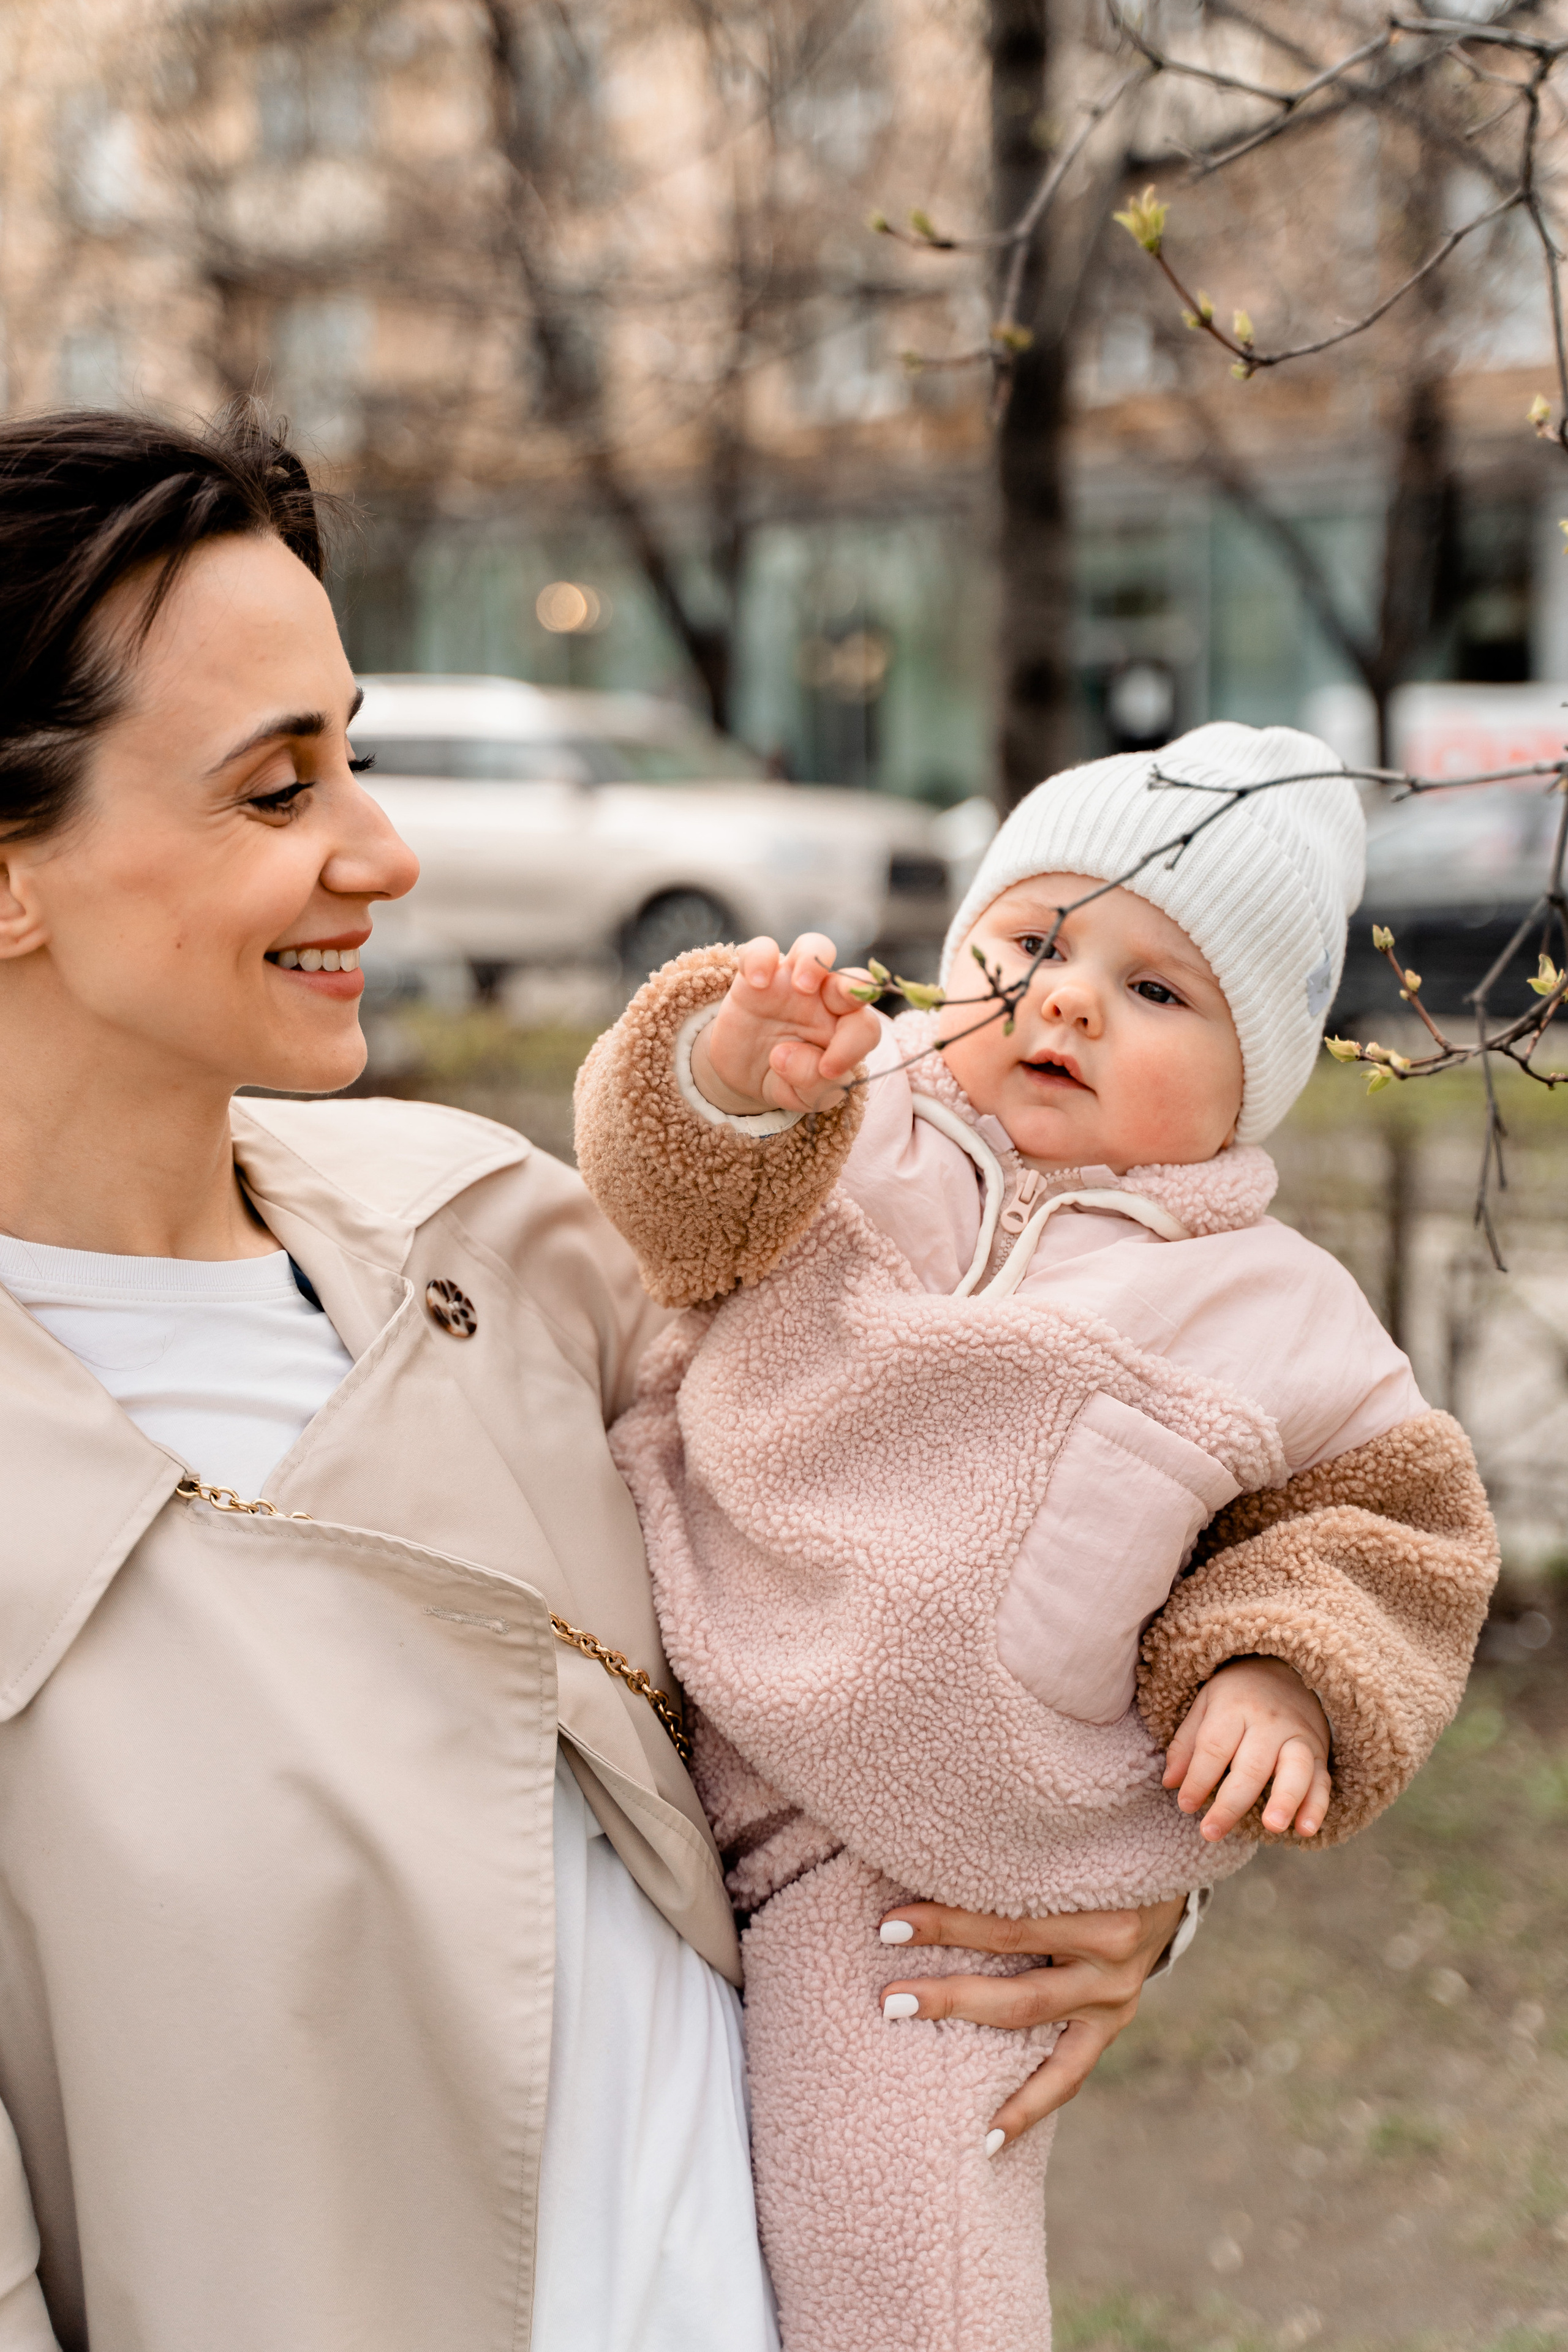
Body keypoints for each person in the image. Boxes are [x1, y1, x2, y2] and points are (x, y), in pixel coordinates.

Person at [0, 403, 1194, 2352]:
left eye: (355, 755)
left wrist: (1106, 1879)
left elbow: (956, 1528)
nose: (380, 848)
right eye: (273, 788)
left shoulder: (501, 1236)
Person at [573, 723, 1501, 2352]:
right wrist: (726, 1077)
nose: (1069, 998)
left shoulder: (1271, 1311)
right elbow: (667, 1210)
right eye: (1035, 944)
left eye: (1159, 990)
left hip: (926, 1870)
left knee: (905, 2230)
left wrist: (1281, 1679)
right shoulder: (846, 1120)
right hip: (654, 1699)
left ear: (1253, 1075)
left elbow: (1388, 1532)